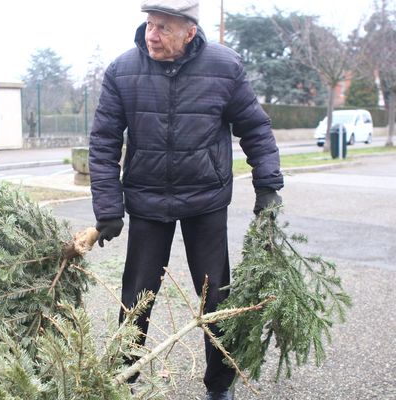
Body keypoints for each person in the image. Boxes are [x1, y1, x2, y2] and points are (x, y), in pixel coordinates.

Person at [88, 1, 283, 399]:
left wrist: (268, 186)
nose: (152, 35)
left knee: (216, 299)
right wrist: (108, 209)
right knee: (136, 300)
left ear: (189, 31)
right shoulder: (122, 71)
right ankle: (122, 383)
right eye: (149, 25)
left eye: (163, 28)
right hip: (147, 203)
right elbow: (104, 141)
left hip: (206, 201)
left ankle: (219, 386)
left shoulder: (225, 68)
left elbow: (255, 128)